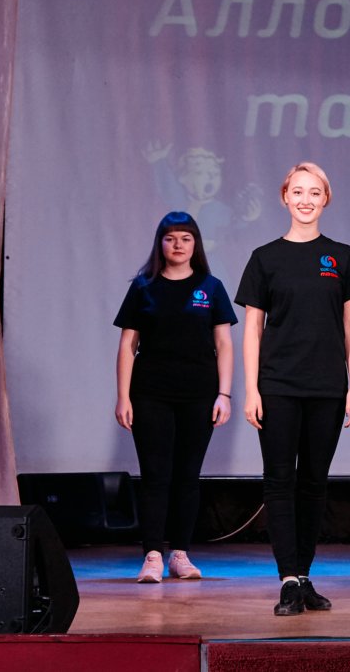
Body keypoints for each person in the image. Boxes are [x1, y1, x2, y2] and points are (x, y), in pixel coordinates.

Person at [235, 161, 350, 616]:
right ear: (284, 197)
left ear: (325, 199)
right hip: (277, 385)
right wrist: (251, 389)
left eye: (314, 192)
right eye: (298, 191)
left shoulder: (342, 257)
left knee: (314, 483)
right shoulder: (265, 257)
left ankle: (306, 576)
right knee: (279, 481)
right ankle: (287, 580)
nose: (305, 200)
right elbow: (252, 330)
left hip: (327, 387)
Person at [114, 211, 237, 583]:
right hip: (150, 393)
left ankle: (180, 555)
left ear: (195, 244)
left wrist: (224, 394)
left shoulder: (211, 287)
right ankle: (152, 555)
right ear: (160, 244)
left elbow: (224, 344)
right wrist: (123, 397)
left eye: (185, 238)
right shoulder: (143, 287)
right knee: (155, 475)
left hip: (199, 394)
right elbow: (127, 346)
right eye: (170, 238)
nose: (178, 245)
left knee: (187, 475)